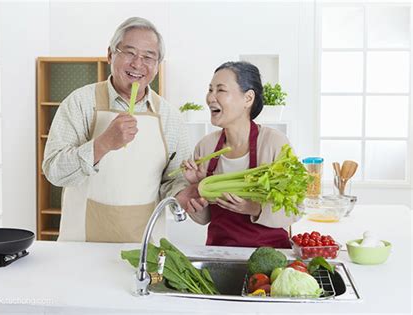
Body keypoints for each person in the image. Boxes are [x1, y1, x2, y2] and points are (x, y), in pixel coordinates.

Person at [42, 17, 196, 242]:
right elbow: (54, 172)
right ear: (110, 54)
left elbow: (173, 180)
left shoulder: (170, 117)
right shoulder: (80, 103)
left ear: (157, 65)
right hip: (81, 246)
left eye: (148, 57)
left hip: (145, 247)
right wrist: (102, 144)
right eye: (129, 52)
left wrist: (182, 194)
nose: (137, 64)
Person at [182, 61, 300, 248]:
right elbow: (205, 218)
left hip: (271, 254)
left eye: (220, 90)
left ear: (248, 98)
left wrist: (253, 208)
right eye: (210, 89)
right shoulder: (206, 147)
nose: (211, 98)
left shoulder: (275, 143)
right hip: (220, 252)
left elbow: (296, 209)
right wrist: (196, 189)